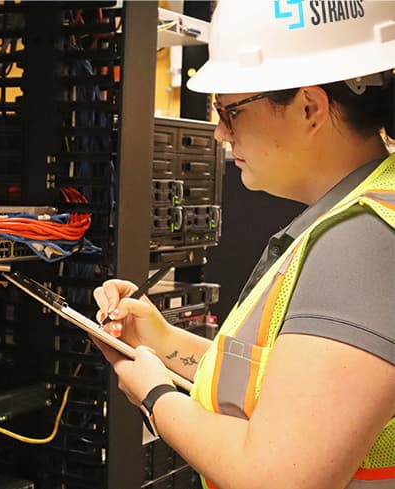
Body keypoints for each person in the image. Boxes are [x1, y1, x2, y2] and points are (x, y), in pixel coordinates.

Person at [93, 1, 395, 488]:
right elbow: (286, 388)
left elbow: (277, 477)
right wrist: (160, 340)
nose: (219, 133)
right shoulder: (361, 214)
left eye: (230, 112)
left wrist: (153, 395)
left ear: (309, 107)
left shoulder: (365, 241)